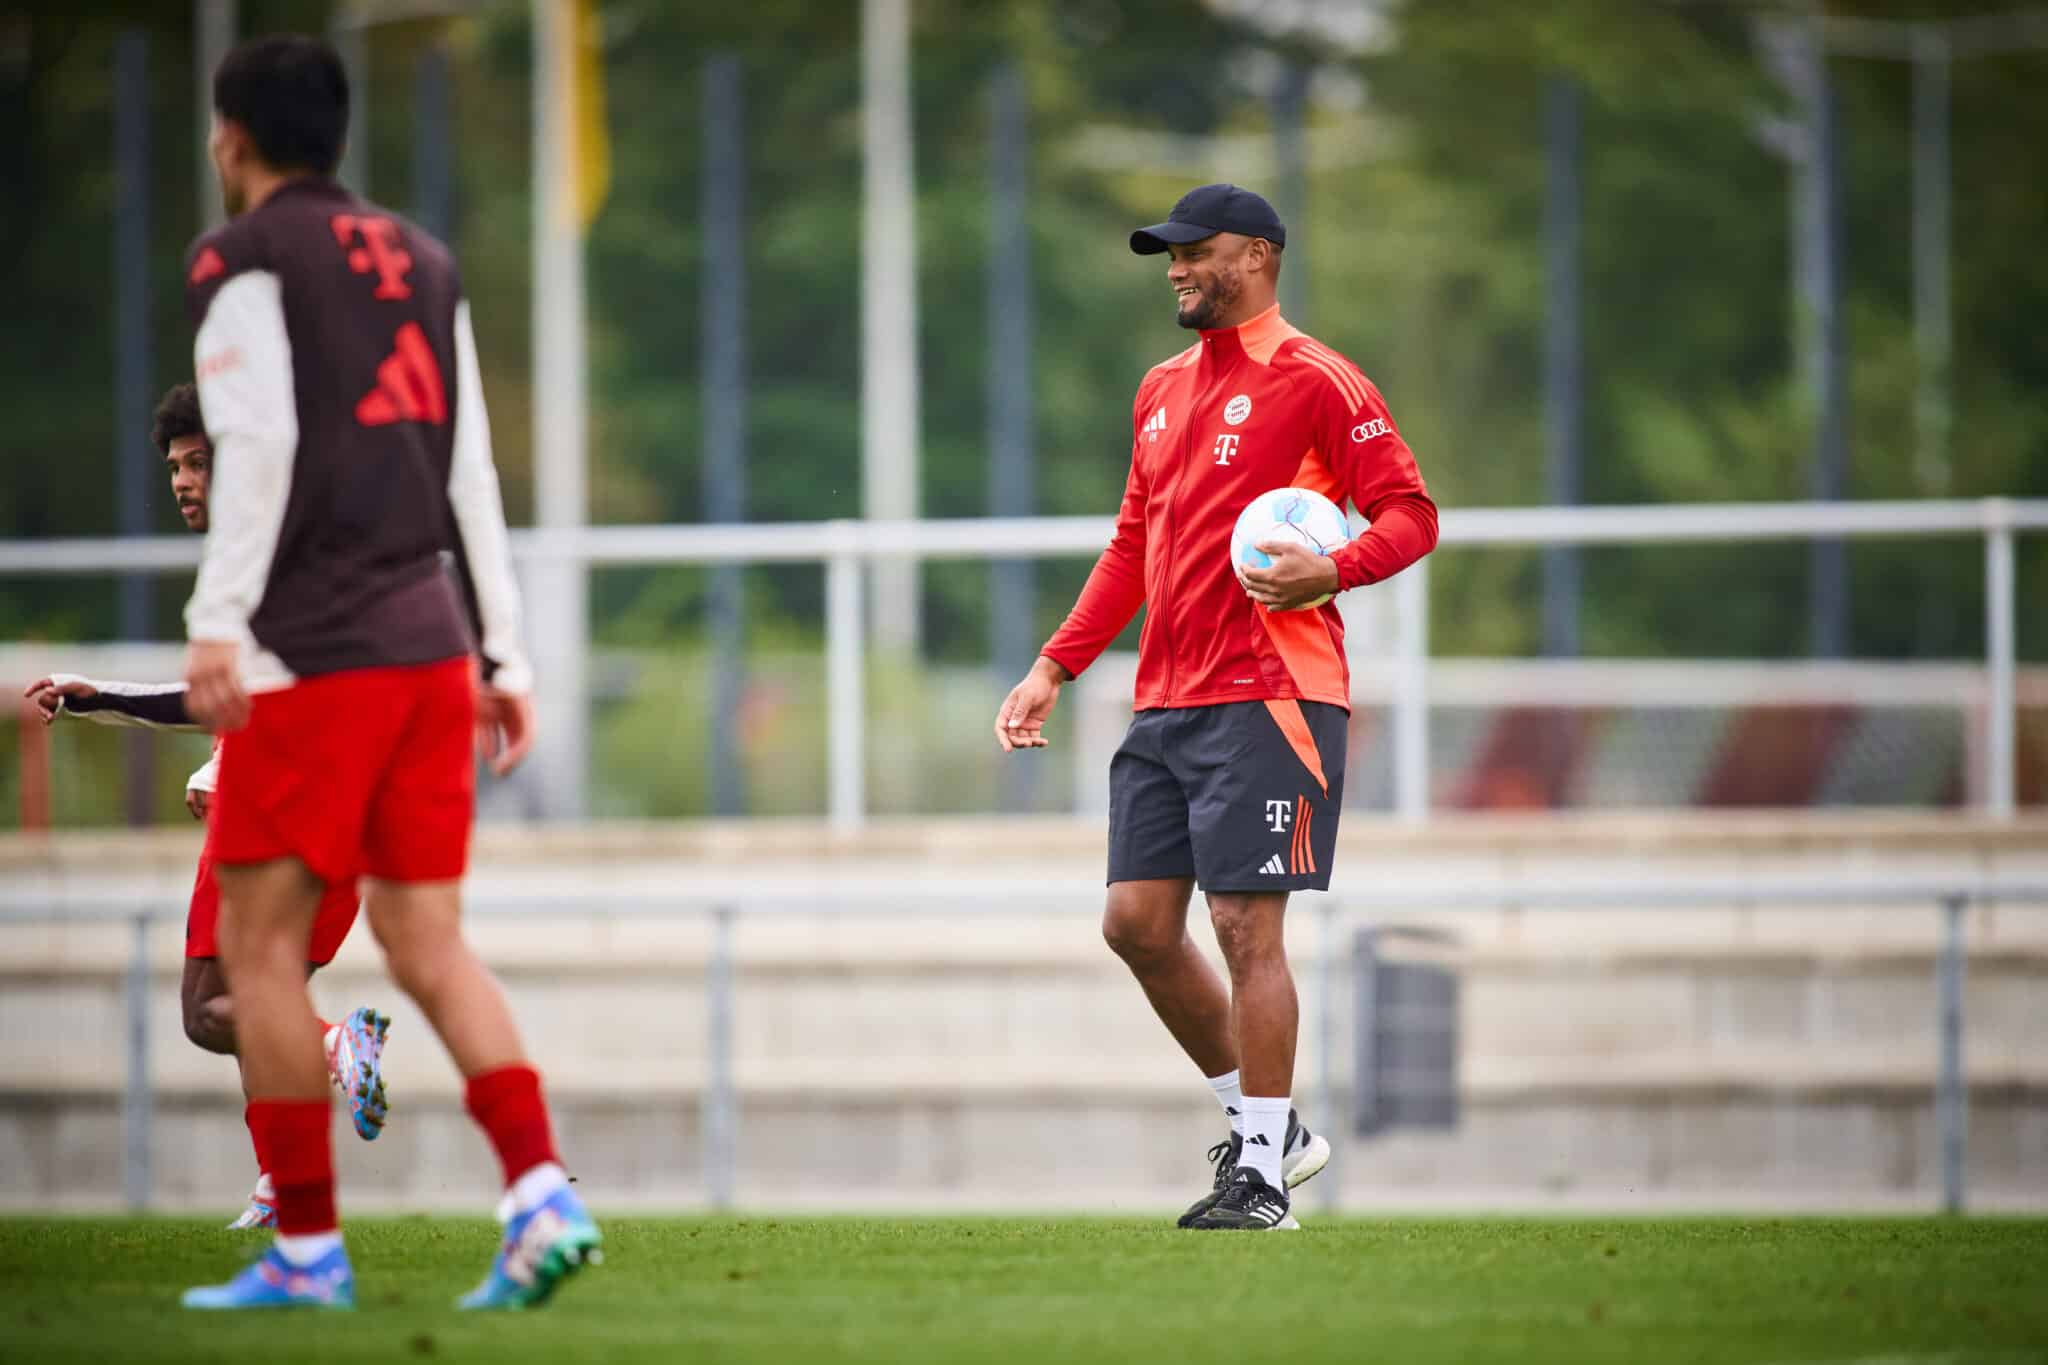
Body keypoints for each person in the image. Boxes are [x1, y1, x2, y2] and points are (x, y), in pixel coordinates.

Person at [173, 35, 596, 1310]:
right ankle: (540, 1195)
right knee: (427, 942)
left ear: (230, 137)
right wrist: (504, 651)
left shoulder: (238, 256)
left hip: (317, 651)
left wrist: (218, 618)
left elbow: (256, 444)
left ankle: (305, 1251)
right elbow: (467, 471)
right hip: (430, 648)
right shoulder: (424, 256)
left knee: (252, 956)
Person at [993, 184, 1439, 1231]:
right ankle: (1269, 1126)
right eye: (1167, 255)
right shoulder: (1158, 388)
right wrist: (1053, 666)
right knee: (1136, 925)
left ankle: (1262, 1183)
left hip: (1272, 696)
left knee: (1244, 925)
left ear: (1256, 253)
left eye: (1193, 252)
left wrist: (1329, 570)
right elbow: (1128, 546)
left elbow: (1410, 514)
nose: (1175, 269)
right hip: (1163, 701)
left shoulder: (1319, 379)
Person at [24, 383, 392, 1231]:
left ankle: (339, 1045)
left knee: (206, 1011)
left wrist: (205, 762)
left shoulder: (254, 564)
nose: (184, 482)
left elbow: (238, 700)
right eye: (176, 467)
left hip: (272, 815)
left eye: (200, 462)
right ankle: (284, 1186)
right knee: (258, 1004)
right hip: (344, 818)